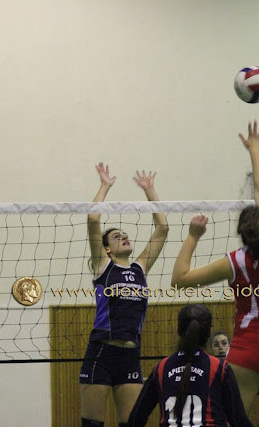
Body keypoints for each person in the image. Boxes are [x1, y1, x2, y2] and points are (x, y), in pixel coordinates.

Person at [172, 120, 259, 427]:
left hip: (254, 344)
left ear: (242, 233)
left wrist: (194, 235)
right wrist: (256, 149)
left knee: (228, 420)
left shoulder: (236, 262)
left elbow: (179, 280)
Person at [80, 163, 169, 427]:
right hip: (101, 352)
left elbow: (163, 228)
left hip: (130, 355)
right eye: (117, 237)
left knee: (133, 423)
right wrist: (104, 186)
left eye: (126, 235)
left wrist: (150, 190)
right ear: (106, 249)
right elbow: (93, 220)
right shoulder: (103, 266)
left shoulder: (140, 268)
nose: (124, 238)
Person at [128, 304, 252, 427]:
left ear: (178, 330)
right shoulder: (219, 368)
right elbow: (239, 421)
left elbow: (135, 419)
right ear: (209, 332)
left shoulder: (161, 368)